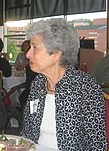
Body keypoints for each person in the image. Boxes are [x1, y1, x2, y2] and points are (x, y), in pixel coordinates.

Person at [20, 18, 107, 150]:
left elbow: (97, 144)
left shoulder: (85, 87)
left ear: (56, 54)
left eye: (35, 47)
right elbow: (26, 134)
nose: (28, 54)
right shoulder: (38, 84)